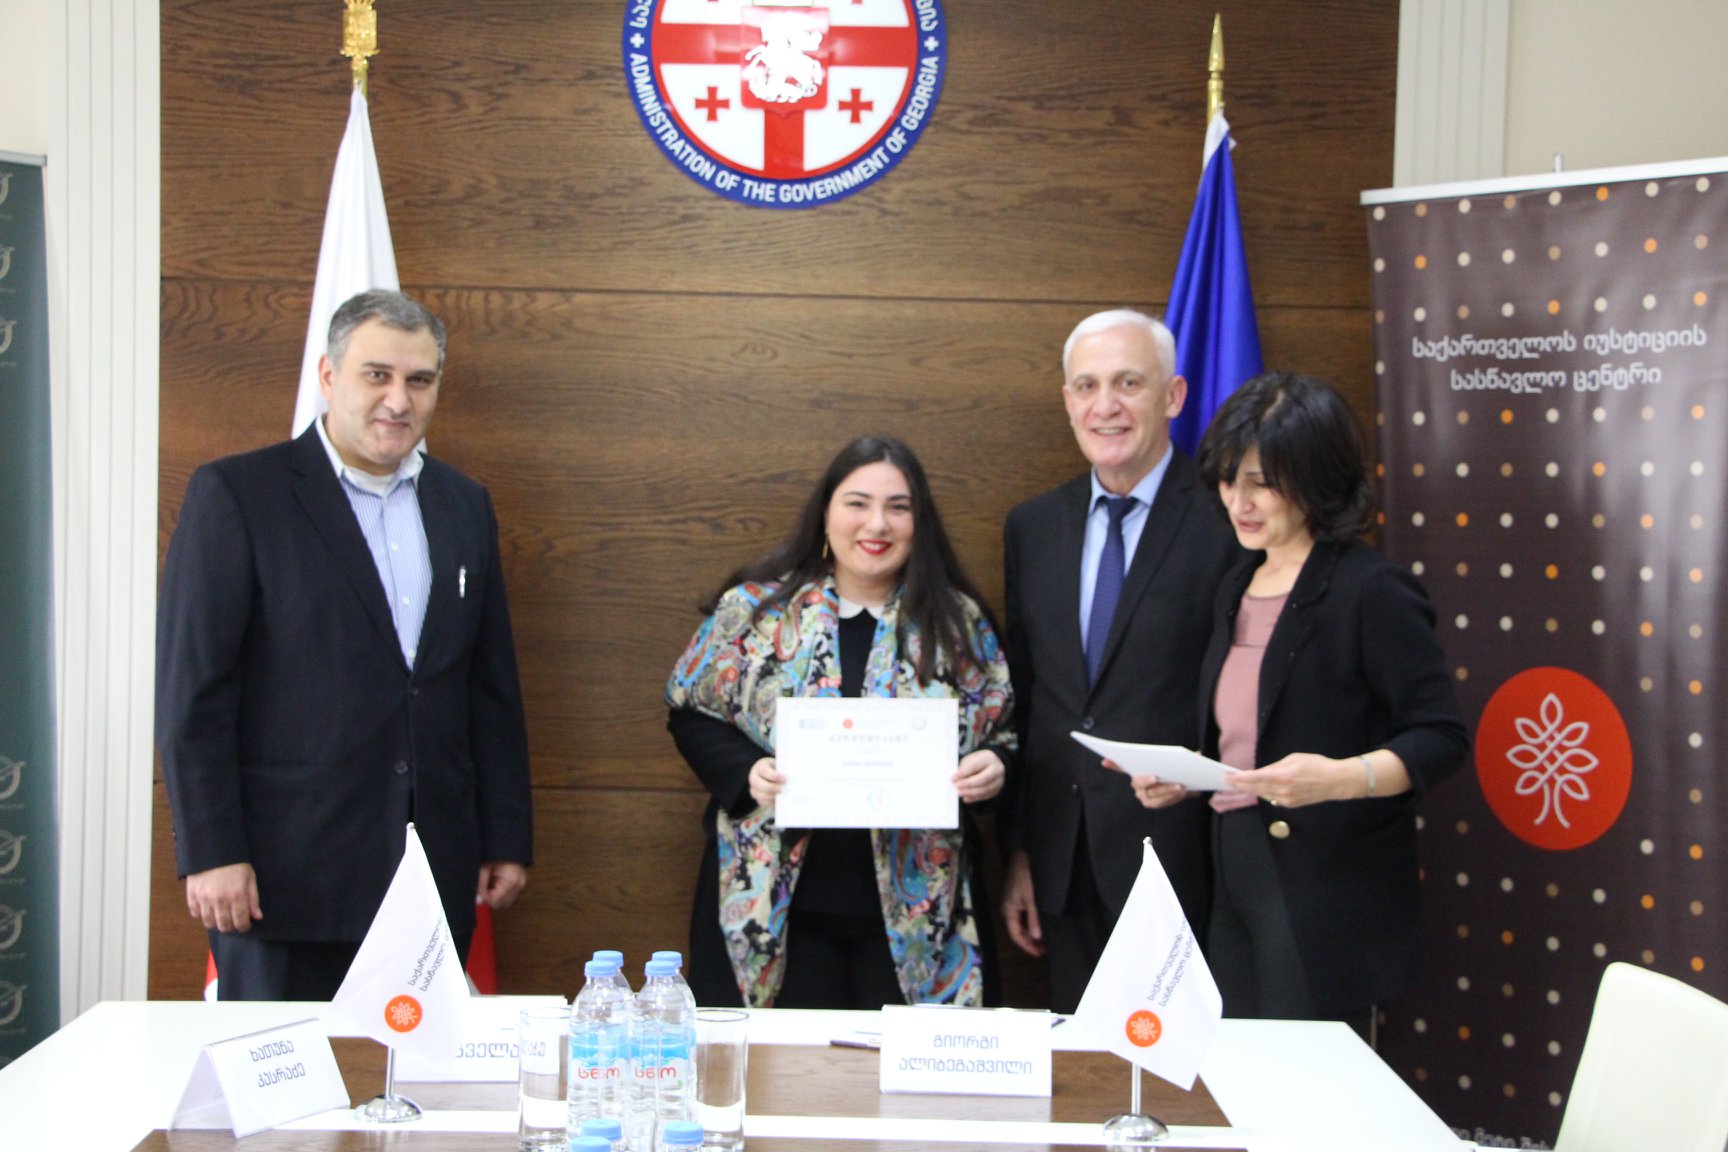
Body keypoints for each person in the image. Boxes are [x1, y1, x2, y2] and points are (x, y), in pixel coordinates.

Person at [156, 289, 534, 1000]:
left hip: (431, 879)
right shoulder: (239, 494)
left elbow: (489, 688)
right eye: (377, 375)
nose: (399, 400)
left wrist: (504, 835)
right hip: (282, 882)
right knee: (289, 1073)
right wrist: (211, 850)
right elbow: (193, 694)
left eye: (419, 380)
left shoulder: (463, 503)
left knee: (418, 1072)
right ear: (329, 376)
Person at [1127, 371, 1467, 1028]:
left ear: (1314, 479)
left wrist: (1341, 778)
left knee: (1309, 1077)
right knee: (1238, 1067)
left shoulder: (1371, 589)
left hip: (1325, 888)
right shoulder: (1237, 584)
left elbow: (1441, 737)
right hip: (1232, 866)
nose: (1240, 502)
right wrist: (1186, 777)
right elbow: (1247, 739)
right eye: (1229, 480)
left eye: (1262, 483)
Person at [665, 435, 1014, 1009]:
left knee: (908, 1067)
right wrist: (746, 772)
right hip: (776, 911)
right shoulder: (755, 612)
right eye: (857, 503)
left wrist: (995, 766)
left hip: (920, 918)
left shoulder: (958, 624)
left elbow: (1004, 734)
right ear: (825, 512)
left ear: (919, 522)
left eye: (898, 507)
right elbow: (690, 710)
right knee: (782, 1065)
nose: (877, 523)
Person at [999, 309, 1238, 1013]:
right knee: (1081, 1064)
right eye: (1087, 386)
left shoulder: (1230, 521)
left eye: (1129, 383)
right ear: (1068, 400)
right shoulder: (1033, 526)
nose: (1105, 405)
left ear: (1174, 396)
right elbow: (1028, 697)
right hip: (1063, 863)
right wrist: (1022, 853)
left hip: (1187, 859)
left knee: (1181, 1067)